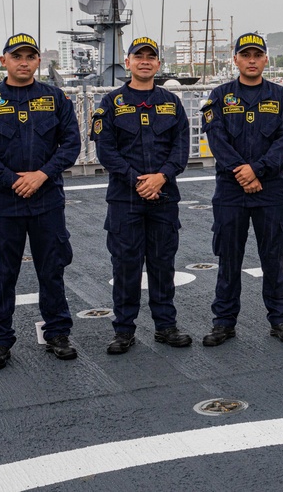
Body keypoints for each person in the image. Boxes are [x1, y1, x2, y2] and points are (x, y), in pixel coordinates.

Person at [0, 33, 81, 371]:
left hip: (47, 200)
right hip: (4, 203)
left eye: (30, 56)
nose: (24, 62)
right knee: (1, 274)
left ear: (38, 61)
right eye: (17, 56)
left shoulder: (56, 98)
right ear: (4, 61)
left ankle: (58, 333)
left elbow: (71, 144)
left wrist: (41, 176)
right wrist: (14, 180)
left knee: (52, 270)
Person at [90, 36, 193, 355]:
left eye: (151, 57)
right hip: (125, 199)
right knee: (125, 265)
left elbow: (181, 147)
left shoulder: (171, 103)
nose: (145, 61)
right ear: (128, 61)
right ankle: (124, 330)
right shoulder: (110, 103)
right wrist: (138, 180)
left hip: (163, 196)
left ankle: (165, 326)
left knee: (163, 264)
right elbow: (105, 150)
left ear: (158, 64)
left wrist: (161, 177)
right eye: (139, 56)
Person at [200, 32, 283, 346]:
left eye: (257, 55)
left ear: (266, 59)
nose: (252, 60)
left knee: (274, 257)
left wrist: (255, 170)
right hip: (231, 191)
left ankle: (280, 321)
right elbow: (217, 140)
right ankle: (224, 323)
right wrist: (242, 172)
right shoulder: (218, 97)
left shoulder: (282, 98)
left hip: (269, 189)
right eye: (246, 55)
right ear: (236, 60)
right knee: (228, 258)